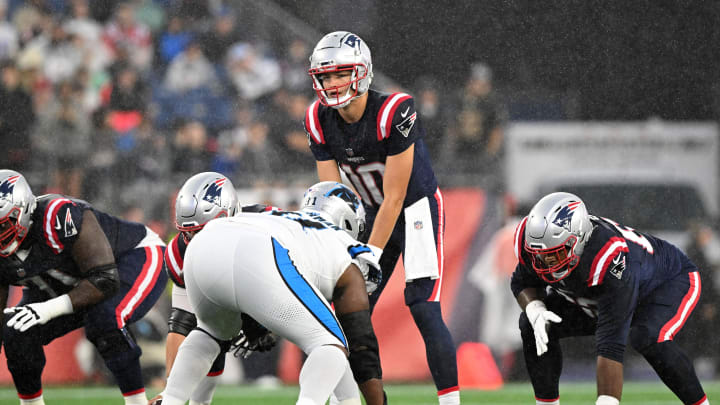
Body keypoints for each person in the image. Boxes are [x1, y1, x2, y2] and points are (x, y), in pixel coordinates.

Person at [304, 31, 459, 404]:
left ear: (363, 72)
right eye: (325, 76)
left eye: (341, 74)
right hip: (370, 213)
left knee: (423, 306)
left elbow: (395, 196)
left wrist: (370, 252)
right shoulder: (317, 118)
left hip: (415, 208)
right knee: (349, 316)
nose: (333, 83)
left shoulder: (395, 110)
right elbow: (333, 197)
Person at [156, 181, 386, 405]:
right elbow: (360, 346)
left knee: (210, 332)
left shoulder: (280, 217)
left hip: (200, 246)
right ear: (351, 223)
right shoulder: (346, 249)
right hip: (259, 253)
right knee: (330, 344)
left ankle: (170, 399)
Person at [511, 192, 711, 405]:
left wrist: (607, 401)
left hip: (666, 282)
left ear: (578, 240)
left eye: (556, 255)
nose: (546, 265)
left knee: (647, 337)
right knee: (535, 323)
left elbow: (611, 346)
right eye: (540, 256)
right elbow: (522, 282)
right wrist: (535, 309)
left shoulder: (607, 259)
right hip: (600, 292)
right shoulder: (533, 247)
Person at [0, 169, 167, 405]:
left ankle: (137, 403)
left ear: (24, 210)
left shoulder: (58, 216)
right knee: (16, 329)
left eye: (2, 225)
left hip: (133, 258)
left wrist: (46, 310)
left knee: (105, 318)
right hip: (66, 283)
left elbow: (105, 279)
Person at [151, 172, 277, 405]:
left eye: (198, 232)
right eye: (186, 232)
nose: (192, 240)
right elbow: (180, 323)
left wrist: (264, 321)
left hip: (278, 287)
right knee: (210, 330)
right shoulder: (179, 253)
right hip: (228, 296)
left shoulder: (264, 227)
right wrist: (170, 392)